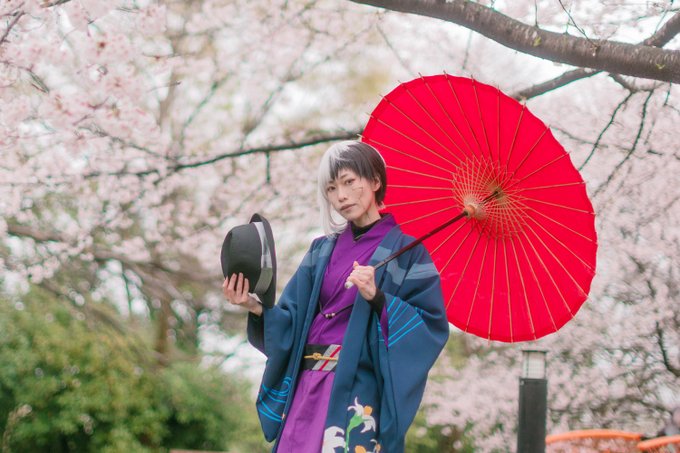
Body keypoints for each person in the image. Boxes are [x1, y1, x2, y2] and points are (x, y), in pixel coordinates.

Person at [223, 140, 449, 452]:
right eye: (331, 188)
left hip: (357, 390)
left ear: (375, 181)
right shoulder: (321, 249)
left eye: (349, 182)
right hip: (306, 387)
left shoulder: (408, 253)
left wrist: (378, 298)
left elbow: (429, 327)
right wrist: (254, 306)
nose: (340, 196)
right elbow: (290, 319)